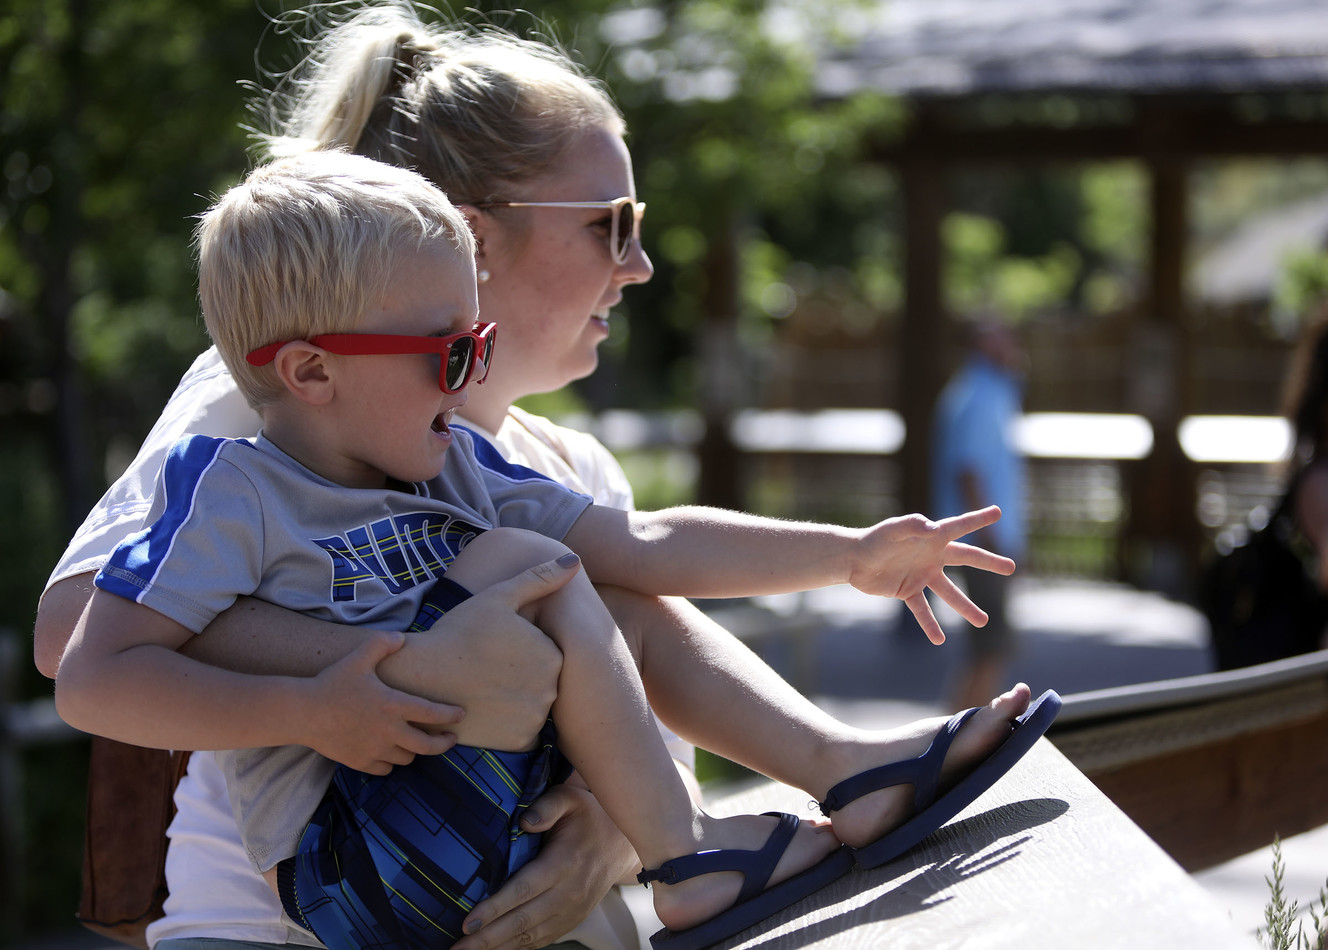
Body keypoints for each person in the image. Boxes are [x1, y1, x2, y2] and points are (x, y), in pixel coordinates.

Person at [35, 6, 1047, 950]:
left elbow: (646, 626)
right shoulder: (262, 411)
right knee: (547, 569)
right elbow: (78, 635)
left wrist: (848, 556)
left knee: (568, 570)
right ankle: (755, 820)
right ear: (475, 237)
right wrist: (393, 667)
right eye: (610, 221)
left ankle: (830, 775)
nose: (642, 263)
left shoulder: (526, 463)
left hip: (506, 884)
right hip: (298, 905)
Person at [931, 320, 1028, 711]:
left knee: (988, 648)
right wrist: (991, 538)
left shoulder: (991, 391)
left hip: (987, 541)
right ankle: (957, 745)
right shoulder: (976, 394)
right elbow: (968, 470)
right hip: (981, 544)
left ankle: (955, 742)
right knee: (991, 648)